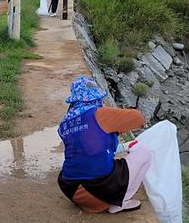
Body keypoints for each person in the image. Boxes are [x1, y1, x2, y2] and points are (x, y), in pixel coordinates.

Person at [57, 76, 151, 214]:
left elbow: (91, 147)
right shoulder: (99, 114)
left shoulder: (64, 124)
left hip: (71, 189)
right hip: (97, 192)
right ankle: (120, 204)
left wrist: (121, 140)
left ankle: (99, 201)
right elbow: (138, 118)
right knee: (145, 153)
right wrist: (118, 122)